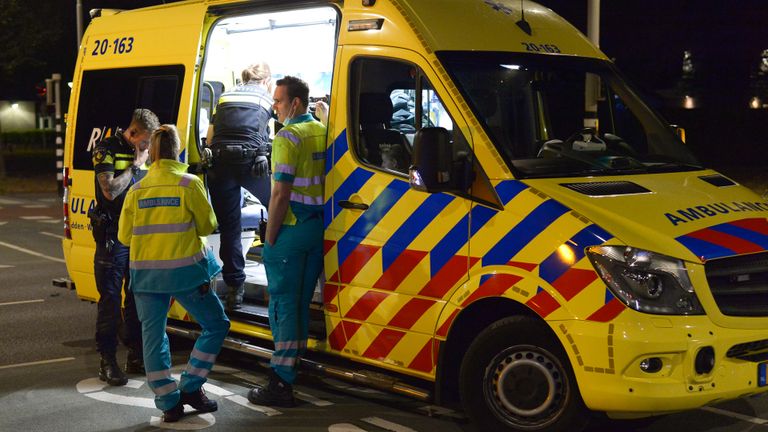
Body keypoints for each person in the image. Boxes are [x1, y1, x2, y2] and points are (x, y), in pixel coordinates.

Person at [118, 125, 230, 423]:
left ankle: (168, 402)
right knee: (216, 324)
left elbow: (125, 237)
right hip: (186, 275)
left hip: (146, 277)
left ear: (151, 153)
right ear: (178, 149)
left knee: (152, 337)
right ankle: (191, 386)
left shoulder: (136, 190)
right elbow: (207, 226)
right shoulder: (189, 183)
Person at [247, 76, 326, 407]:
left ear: (295, 103)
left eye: (278, 101)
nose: (274, 107)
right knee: (301, 304)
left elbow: (279, 194)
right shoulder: (322, 131)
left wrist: (271, 237)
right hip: (317, 229)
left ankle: (280, 382)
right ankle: (295, 366)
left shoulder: (287, 136)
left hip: (291, 229)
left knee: (283, 307)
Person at [90, 108, 159, 386]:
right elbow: (110, 190)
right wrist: (135, 164)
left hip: (137, 235)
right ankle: (107, 361)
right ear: (132, 133)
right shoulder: (106, 150)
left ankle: (137, 355)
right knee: (110, 300)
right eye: (144, 142)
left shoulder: (143, 152)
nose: (146, 148)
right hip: (112, 236)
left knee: (136, 296)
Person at [206, 62, 274, 311]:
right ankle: (278, 276)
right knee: (278, 212)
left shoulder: (225, 96)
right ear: (266, 80)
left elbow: (211, 137)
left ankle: (235, 288)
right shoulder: (266, 97)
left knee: (229, 226)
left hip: (220, 163)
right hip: (251, 163)